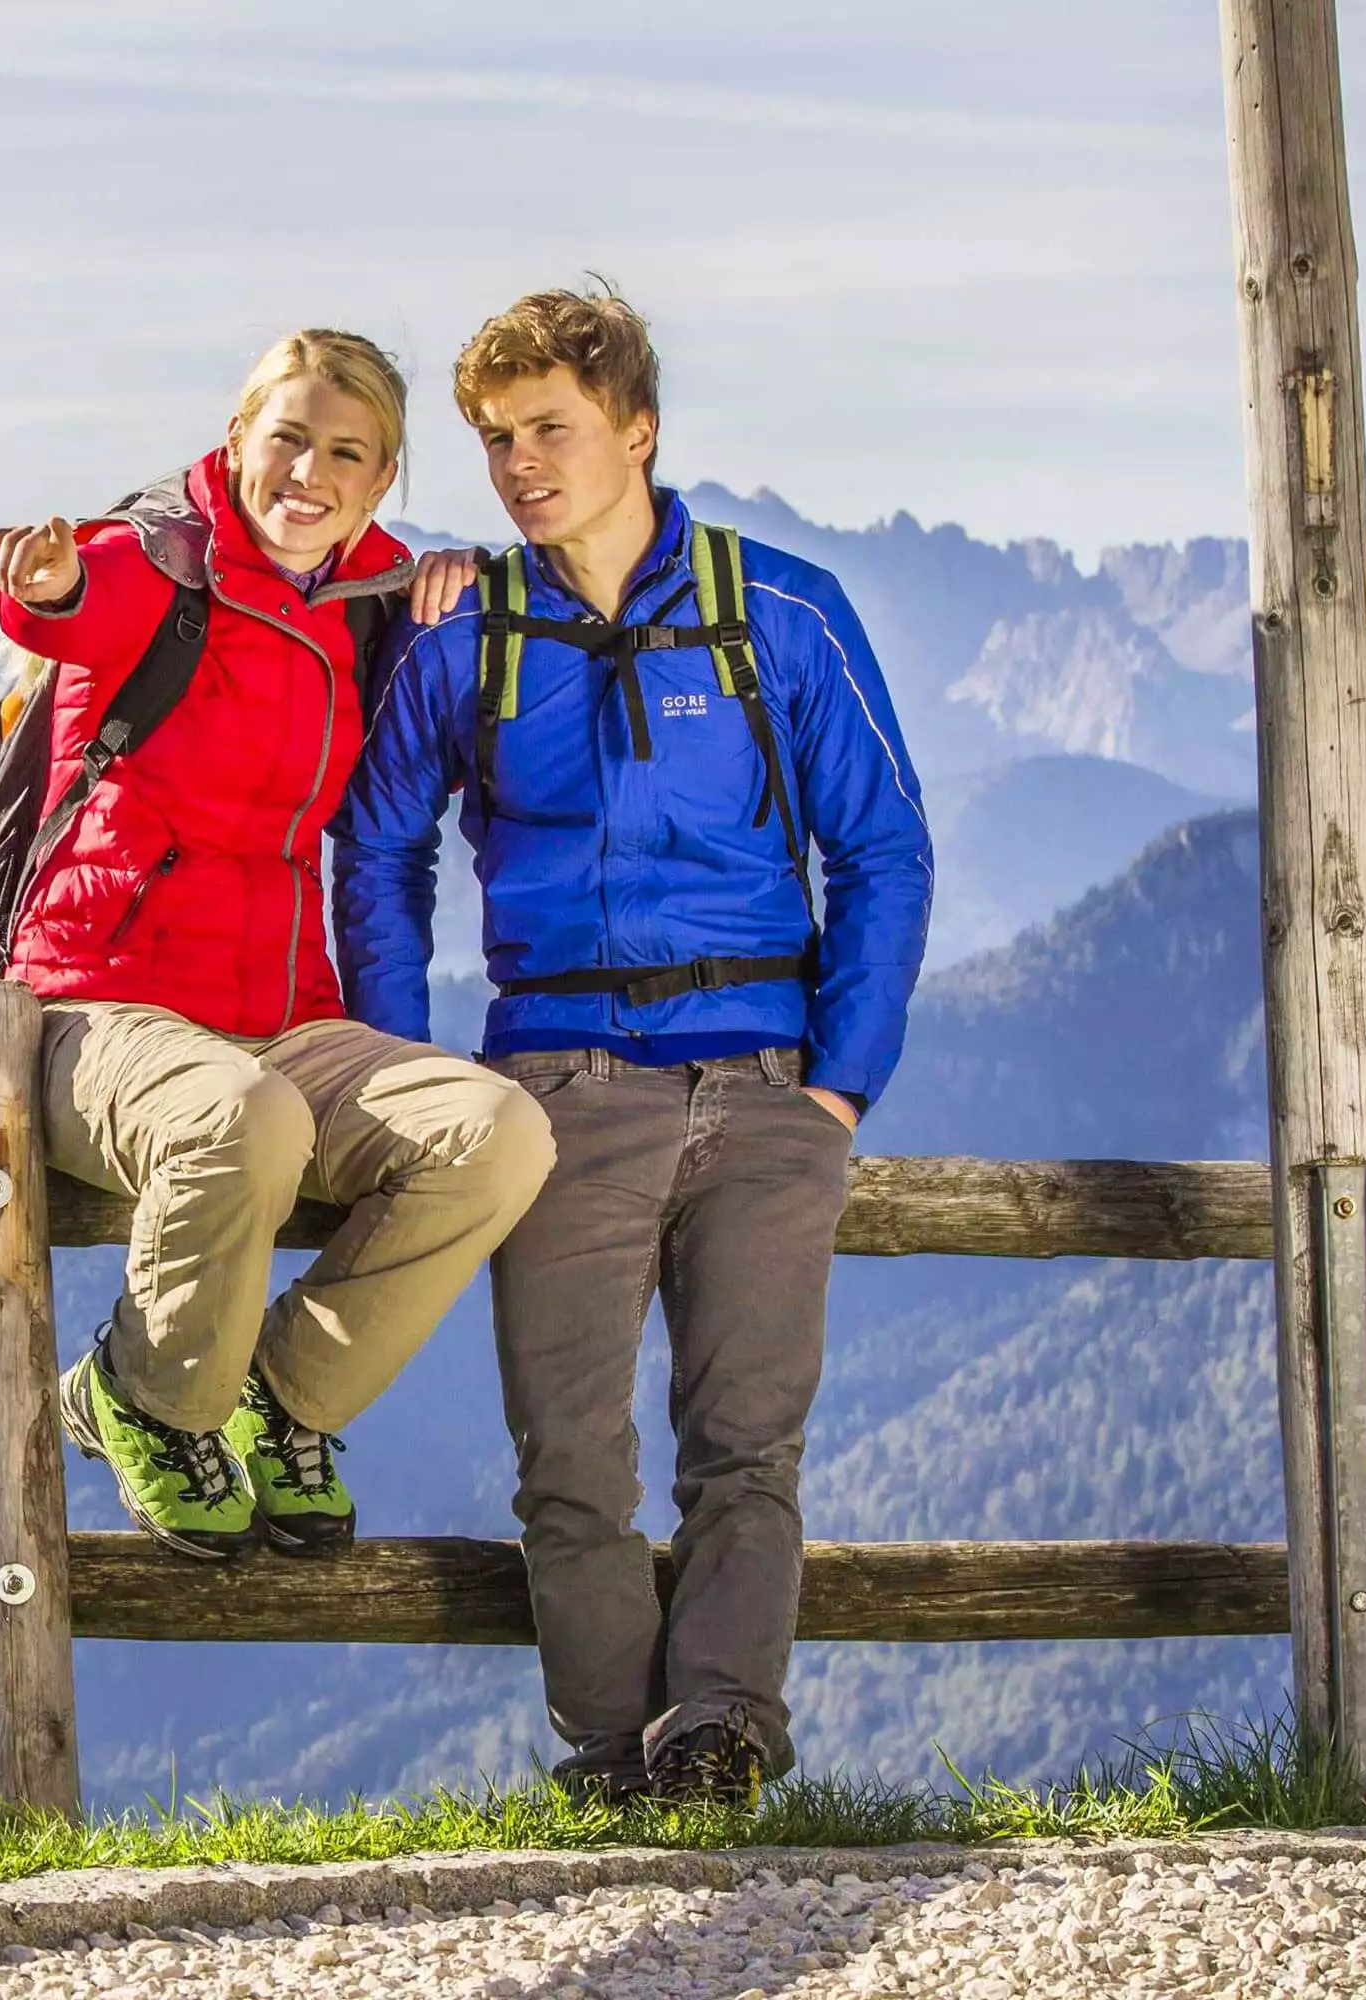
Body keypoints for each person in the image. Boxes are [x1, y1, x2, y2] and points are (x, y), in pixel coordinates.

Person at [335, 288, 934, 1805]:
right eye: (495, 439)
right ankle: (612, 1756)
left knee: (746, 1445)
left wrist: (842, 1084)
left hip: (766, 1081)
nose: (522, 463)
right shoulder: (465, 627)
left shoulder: (778, 610)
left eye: (552, 428)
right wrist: (414, 1078)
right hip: (552, 1087)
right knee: (570, 1461)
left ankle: (721, 1735)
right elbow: (376, 847)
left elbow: (884, 848)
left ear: (639, 430)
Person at [0, 329, 555, 1562]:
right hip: (98, 1008)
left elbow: (486, 599)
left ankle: (282, 1396)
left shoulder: (368, 592)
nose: (309, 470)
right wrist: (42, 589)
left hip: (282, 1015)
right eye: (286, 435)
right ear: (237, 437)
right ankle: (142, 1394)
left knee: (498, 1131)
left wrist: (449, 572)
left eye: (346, 452)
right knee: (242, 1116)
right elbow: (78, 606)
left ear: (382, 476)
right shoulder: (154, 559)